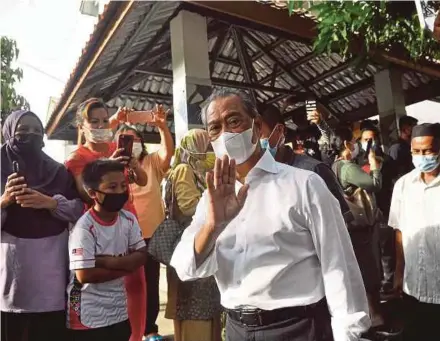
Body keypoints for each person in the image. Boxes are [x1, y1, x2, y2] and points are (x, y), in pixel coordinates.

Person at [170, 89, 370, 341]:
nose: (226, 134)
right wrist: (213, 225)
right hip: (237, 329)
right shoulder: (212, 198)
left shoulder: (304, 184)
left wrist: (348, 334)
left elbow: (338, 265)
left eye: (233, 121)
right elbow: (186, 268)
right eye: (215, 128)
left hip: (297, 327)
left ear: (255, 126)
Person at [66, 98, 148, 341]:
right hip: (100, 229)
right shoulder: (77, 157)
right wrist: (108, 165)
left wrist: (132, 164)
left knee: (136, 284)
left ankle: (136, 335)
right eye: (94, 121)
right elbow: (85, 193)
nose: (101, 125)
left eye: (105, 120)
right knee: (105, 285)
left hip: (128, 222)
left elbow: (141, 181)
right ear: (82, 126)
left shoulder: (117, 147)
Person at [0, 110, 83, 341]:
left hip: (51, 271)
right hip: (13, 273)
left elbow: (78, 210)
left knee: (50, 330)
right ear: (8, 133)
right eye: (22, 130)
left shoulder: (57, 170)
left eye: (37, 131)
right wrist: (4, 200)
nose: (31, 135)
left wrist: (50, 203)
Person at [115, 120, 174, 341]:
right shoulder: (115, 166)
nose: (134, 144)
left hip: (151, 235)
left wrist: (162, 127)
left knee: (150, 282)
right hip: (124, 235)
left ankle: (149, 328)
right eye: (128, 139)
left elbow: (168, 153)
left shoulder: (151, 162)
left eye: (137, 139)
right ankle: (128, 326)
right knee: (127, 283)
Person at [329, 126, 390, 337]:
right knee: (369, 270)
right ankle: (375, 319)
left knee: (360, 272)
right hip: (361, 227)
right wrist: (374, 167)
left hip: (349, 227)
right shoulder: (346, 167)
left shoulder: (333, 166)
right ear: (347, 145)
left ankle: (369, 317)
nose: (356, 145)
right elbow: (374, 184)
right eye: (353, 141)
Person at [165, 129, 221, 341]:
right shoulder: (183, 169)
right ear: (193, 148)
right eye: (206, 148)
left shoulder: (197, 171)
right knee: (194, 311)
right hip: (191, 248)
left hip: (201, 247)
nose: (210, 153)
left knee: (207, 310)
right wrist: (215, 202)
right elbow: (189, 208)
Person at [389, 123, 440, 341]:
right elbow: (399, 230)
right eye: (416, 152)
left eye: (427, 151)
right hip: (414, 284)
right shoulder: (403, 185)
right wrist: (399, 273)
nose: (421, 157)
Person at [259, 105, 352, 223]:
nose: (252, 144)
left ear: (279, 130)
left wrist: (320, 123)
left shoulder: (313, 172)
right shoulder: (255, 179)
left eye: (258, 134)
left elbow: (341, 225)